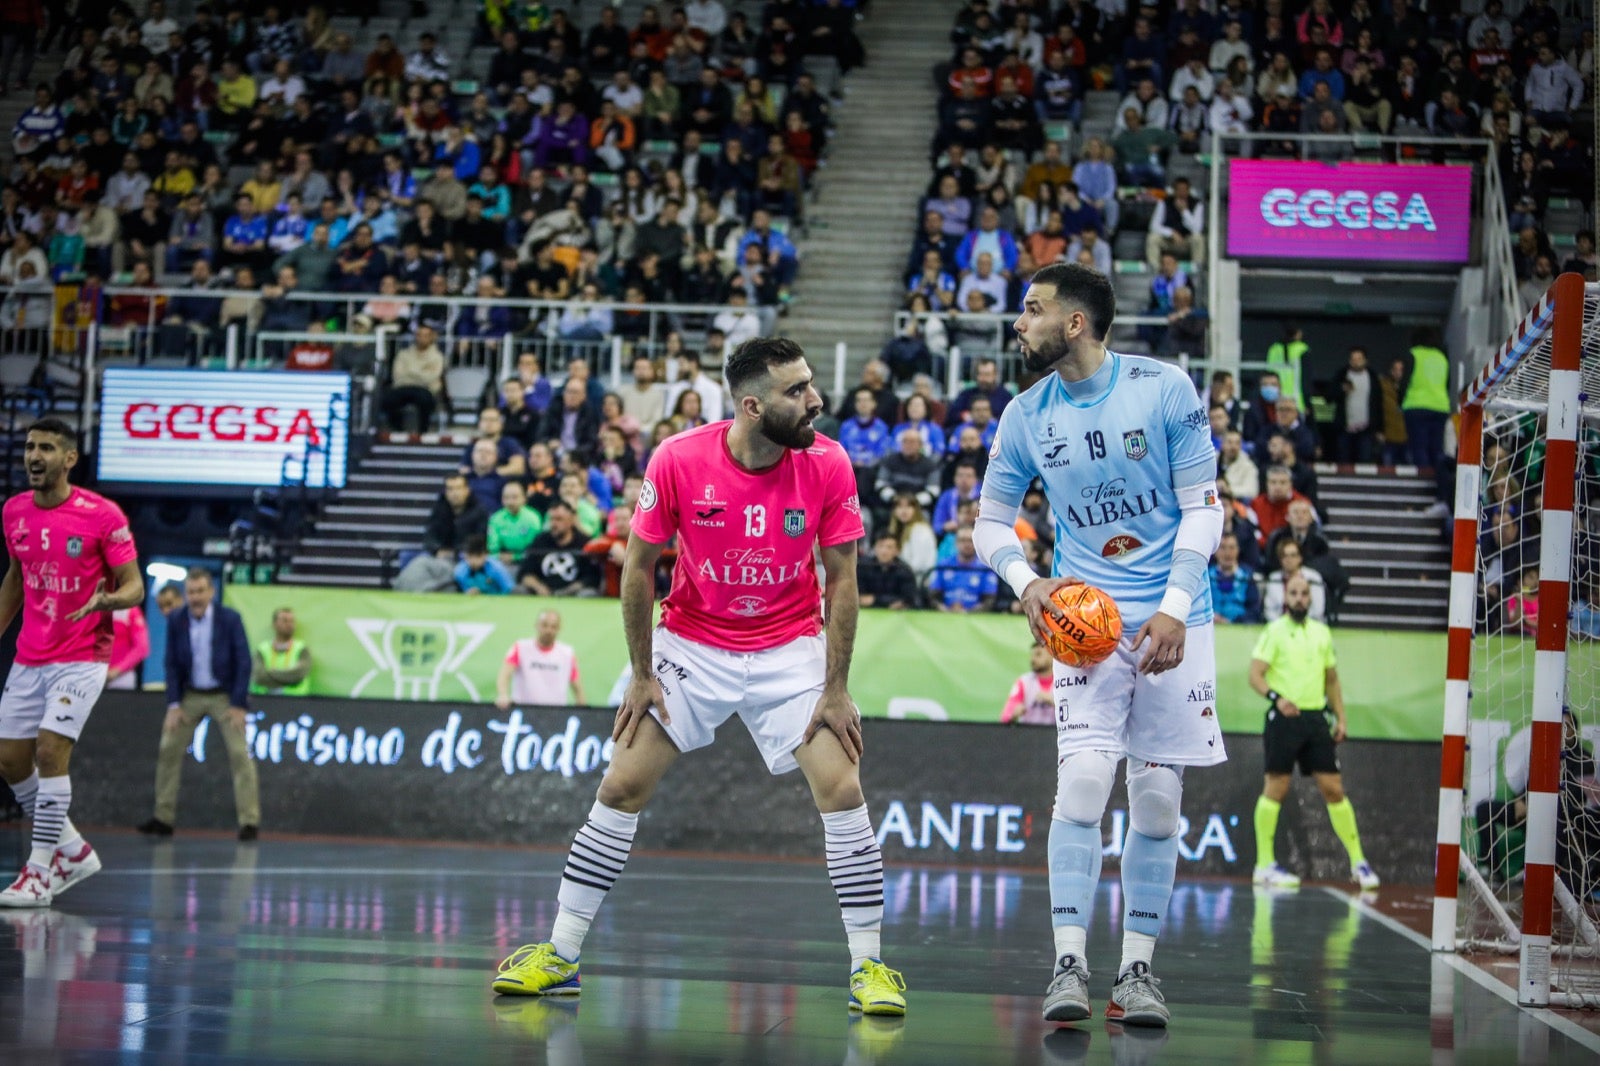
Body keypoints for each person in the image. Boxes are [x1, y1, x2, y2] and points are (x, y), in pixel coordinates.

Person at [491, 338, 906, 1017]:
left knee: (844, 783)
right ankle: (561, 955)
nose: (815, 401)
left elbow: (843, 578)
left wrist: (834, 688)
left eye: (810, 387)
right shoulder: (679, 459)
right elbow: (638, 567)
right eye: (797, 391)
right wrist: (641, 673)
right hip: (692, 641)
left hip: (789, 645)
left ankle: (870, 967)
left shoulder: (828, 462)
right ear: (751, 405)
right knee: (621, 783)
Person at [975, 262, 1225, 1028]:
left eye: (1032, 309)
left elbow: (1203, 510)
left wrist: (1176, 609)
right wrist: (1027, 582)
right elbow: (990, 523)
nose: (1019, 322)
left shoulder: (1165, 388)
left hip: (1177, 623)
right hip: (1087, 624)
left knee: (1156, 807)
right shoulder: (1024, 414)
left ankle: (1139, 974)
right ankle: (1069, 963)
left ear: (1074, 323)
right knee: (1084, 784)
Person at [0, 419, 144, 908]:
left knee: (49, 751)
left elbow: (135, 586)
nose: (34, 456)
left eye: (46, 448)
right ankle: (74, 850)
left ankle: (39, 871)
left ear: (69, 459)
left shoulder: (101, 515)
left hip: (82, 656)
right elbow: (15, 582)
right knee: (10, 761)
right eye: (29, 447)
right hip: (29, 656)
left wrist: (107, 600)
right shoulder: (14, 511)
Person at [1249, 574, 1380, 891]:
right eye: (1293, 593)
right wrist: (1275, 699)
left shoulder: (1322, 633)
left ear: (1310, 598)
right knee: (1276, 787)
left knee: (1334, 788)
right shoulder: (1274, 631)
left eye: (1304, 593)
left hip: (1315, 719)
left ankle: (1358, 863)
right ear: (1285, 597)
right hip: (1284, 719)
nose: (1298, 598)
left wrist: (1341, 717)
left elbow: (1331, 679)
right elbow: (1255, 675)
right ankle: (1264, 865)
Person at [138, 567, 258, 841]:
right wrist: (173, 704)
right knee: (168, 747)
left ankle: (249, 822)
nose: (196, 597)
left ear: (211, 592)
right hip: (190, 695)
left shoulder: (230, 619)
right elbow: (171, 663)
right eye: (191, 592)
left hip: (224, 695)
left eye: (201, 591)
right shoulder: (177, 619)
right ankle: (163, 818)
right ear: (186, 594)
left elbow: (244, 662)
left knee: (241, 753)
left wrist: (239, 704)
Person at [495, 610, 586, 709]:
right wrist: (503, 695)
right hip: (523, 710)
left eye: (553, 627)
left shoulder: (567, 653)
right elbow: (504, 675)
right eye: (545, 625)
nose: (548, 630)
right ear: (536, 625)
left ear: (559, 629)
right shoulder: (520, 647)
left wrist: (583, 711)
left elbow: (577, 688)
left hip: (556, 714)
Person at [1401, 326, 1451, 470]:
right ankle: (1438, 481)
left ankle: (1422, 481)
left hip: (1416, 406)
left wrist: (1400, 400)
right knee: (1436, 447)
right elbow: (1447, 383)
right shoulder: (1442, 358)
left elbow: (1405, 381)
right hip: (1440, 406)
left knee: (1419, 446)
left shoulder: (1414, 354)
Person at [249, 607, 311, 696]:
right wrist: (288, 679)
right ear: (274, 624)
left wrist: (270, 673)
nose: (289, 624)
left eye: (292, 621)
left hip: (295, 703)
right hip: (263, 702)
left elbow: (298, 674)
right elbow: (258, 676)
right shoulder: (262, 649)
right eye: (285, 621)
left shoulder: (302, 649)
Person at [857, 533, 919, 610]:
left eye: (889, 547)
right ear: (875, 548)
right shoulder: (864, 566)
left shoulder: (904, 570)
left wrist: (875, 600)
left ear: (897, 551)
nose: (884, 551)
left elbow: (908, 599)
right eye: (880, 546)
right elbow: (860, 597)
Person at [1000, 643, 1055, 725]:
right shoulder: (1024, 682)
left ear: (1052, 657)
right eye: (1032, 655)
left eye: (1038, 654)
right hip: (1028, 734)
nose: (1033, 659)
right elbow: (1005, 717)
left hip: (1055, 735)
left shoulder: (1063, 681)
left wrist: (1054, 702)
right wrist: (1013, 714)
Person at [107, 605, 152, 691]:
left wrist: (117, 670)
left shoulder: (130, 611)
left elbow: (142, 647)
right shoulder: (92, 609)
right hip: (93, 678)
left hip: (121, 678)